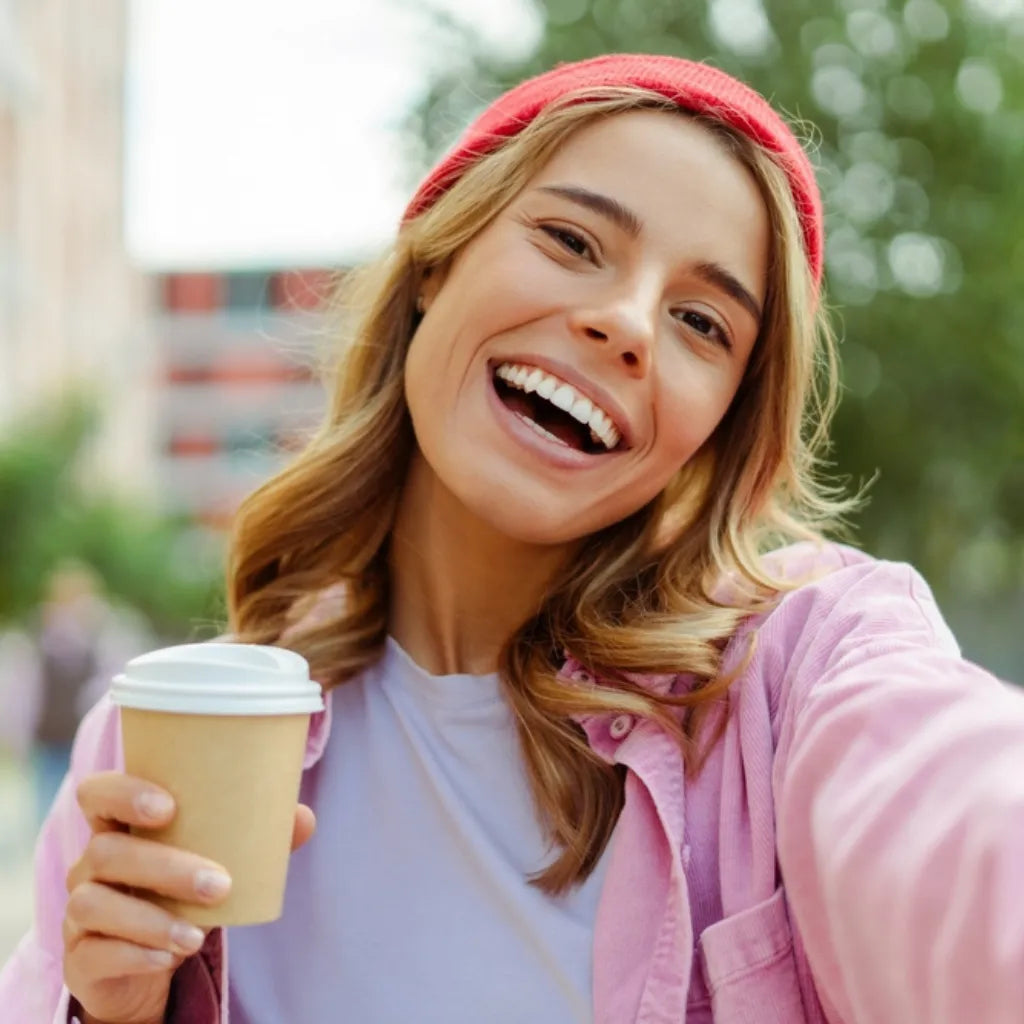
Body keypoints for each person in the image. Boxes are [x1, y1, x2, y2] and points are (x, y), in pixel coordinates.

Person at [1, 52, 1022, 1024]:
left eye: (702, 322)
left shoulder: (804, 670)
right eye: (573, 242)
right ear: (438, 260)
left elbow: (973, 834)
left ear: (718, 424)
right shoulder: (164, 741)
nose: (624, 321)